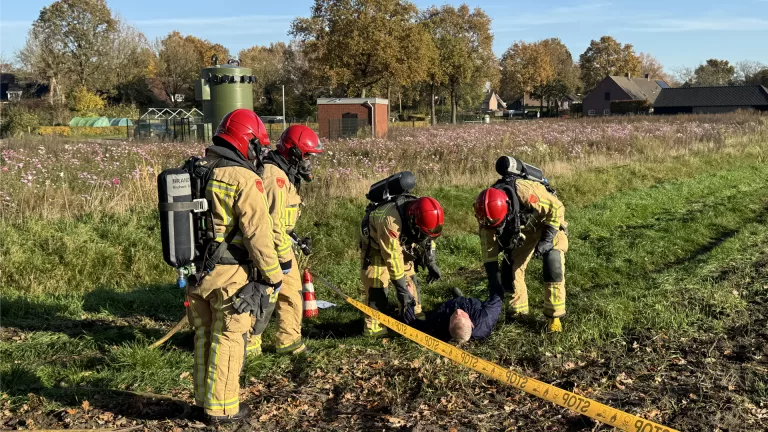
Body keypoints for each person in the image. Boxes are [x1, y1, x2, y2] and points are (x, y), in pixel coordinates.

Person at [185, 109, 282, 422]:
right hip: (230, 275)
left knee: (203, 335)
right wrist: (273, 276)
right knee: (228, 337)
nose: (259, 154)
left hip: (196, 271)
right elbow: (258, 235)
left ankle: (203, 401)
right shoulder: (244, 179)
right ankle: (223, 408)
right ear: (247, 142)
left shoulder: (196, 170)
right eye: (258, 146)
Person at [247, 125, 323, 356]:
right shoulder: (275, 177)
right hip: (270, 247)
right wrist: (283, 257)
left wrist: (294, 238)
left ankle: (289, 341)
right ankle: (249, 345)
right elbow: (272, 223)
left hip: (281, 242)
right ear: (294, 152)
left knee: (291, 293)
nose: (309, 162)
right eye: (307, 156)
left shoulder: (285, 172)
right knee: (264, 295)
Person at [474, 156, 569, 332]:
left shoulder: (525, 190)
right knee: (510, 268)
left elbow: (556, 208)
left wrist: (547, 240)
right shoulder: (486, 216)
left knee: (553, 263)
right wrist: (493, 281)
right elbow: (489, 252)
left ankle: (554, 317)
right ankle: (517, 312)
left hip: (548, 222)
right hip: (524, 229)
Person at [360, 194, 444, 337]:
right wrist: (401, 290)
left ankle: (413, 315)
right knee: (377, 284)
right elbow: (392, 258)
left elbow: (428, 239)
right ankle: (375, 328)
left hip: (401, 242)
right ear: (412, 222)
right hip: (375, 247)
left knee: (410, 278)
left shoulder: (421, 217)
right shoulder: (390, 221)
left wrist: (431, 262)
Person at [403, 284, 504, 343]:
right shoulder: (485, 319)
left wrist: (409, 296)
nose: (458, 311)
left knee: (432, 314)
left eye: (455, 317)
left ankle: (457, 299)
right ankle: (460, 297)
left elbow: (411, 323)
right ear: (471, 323)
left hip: (450, 305)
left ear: (449, 326)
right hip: (470, 305)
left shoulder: (439, 324)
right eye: (462, 316)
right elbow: (497, 298)